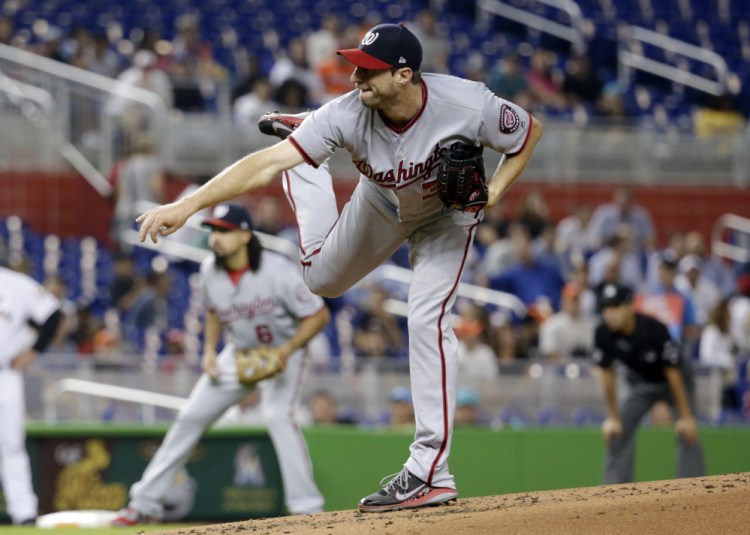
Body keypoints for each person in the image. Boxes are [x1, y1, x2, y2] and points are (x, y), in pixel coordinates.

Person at [135, 22, 542, 512]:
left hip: (447, 219)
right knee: (320, 280)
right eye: (355, 66)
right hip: (381, 201)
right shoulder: (349, 111)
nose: (355, 77)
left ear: (404, 75)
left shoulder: (468, 104)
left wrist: (494, 193)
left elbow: (527, 133)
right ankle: (304, 137)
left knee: (426, 318)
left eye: (368, 71)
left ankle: (429, 470)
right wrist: (188, 207)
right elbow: (264, 164)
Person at [112, 204, 330, 525]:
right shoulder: (209, 270)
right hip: (239, 351)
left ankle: (307, 508)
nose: (215, 237)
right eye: (213, 230)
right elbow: (213, 311)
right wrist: (210, 352)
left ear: (244, 235)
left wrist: (285, 351)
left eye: (224, 231)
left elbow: (318, 315)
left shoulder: (276, 269)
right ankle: (144, 503)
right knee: (190, 417)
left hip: (285, 349)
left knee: (278, 416)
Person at [592, 283, 705, 485]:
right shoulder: (603, 333)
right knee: (618, 431)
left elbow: (673, 373)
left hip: (675, 381)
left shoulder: (655, 329)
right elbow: (607, 378)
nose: (610, 313)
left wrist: (686, 416)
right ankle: (613, 492)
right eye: (606, 308)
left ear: (630, 306)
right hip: (641, 383)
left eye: (615, 306)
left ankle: (692, 488)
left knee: (687, 429)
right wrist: (613, 417)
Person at [0, 265, 62, 525]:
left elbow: (53, 314)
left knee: (12, 445)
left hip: (5, 374)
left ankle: (23, 512)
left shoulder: (15, 283)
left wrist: (34, 350)